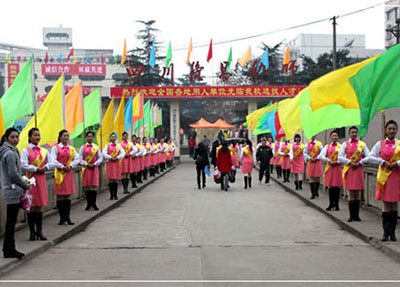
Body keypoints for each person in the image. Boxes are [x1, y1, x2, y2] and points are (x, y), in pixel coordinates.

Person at [0, 128, 30, 259]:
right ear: (6, 138)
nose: (16, 140)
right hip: (12, 189)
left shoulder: (11, 151)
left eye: (17, 137)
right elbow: (13, 173)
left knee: (11, 222)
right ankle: (9, 249)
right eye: (12, 137)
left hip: (10, 188)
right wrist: (24, 184)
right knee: (11, 223)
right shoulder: (10, 153)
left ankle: (9, 248)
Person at [21, 128, 55, 240]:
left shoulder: (44, 151)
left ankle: (39, 231)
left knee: (39, 207)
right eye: (35, 135)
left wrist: (45, 167)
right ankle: (32, 232)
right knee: (31, 206)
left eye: (38, 135)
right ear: (30, 137)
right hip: (30, 181)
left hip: (41, 181)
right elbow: (23, 165)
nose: (37, 137)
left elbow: (51, 163)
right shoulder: (25, 151)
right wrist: (36, 169)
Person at [368, 120, 399, 241]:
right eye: (389, 129)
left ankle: (393, 233)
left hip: (396, 176)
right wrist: (382, 162)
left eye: (394, 129)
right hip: (384, 178)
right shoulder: (379, 144)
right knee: (386, 203)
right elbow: (370, 156)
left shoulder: (399, 144)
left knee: (394, 203)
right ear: (386, 130)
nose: (391, 131)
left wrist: (397, 163)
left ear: (396, 130)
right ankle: (385, 232)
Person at [339, 126, 369, 222]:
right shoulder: (345, 144)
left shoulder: (362, 144)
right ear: (349, 133)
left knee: (358, 192)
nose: (354, 134)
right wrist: (349, 162)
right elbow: (340, 157)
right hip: (349, 169)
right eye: (352, 132)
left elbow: (369, 156)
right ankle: (351, 215)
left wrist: (360, 162)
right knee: (351, 192)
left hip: (359, 168)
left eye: (355, 132)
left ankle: (357, 215)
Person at [51, 130, 80, 225]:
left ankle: (67, 217)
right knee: (60, 196)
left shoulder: (71, 148)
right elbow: (53, 160)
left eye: (67, 136)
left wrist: (70, 166)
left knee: (67, 195)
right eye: (64, 136)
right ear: (60, 137)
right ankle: (61, 217)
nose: (66, 137)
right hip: (60, 174)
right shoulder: (55, 148)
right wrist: (62, 166)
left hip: (68, 173)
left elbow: (77, 158)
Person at [319, 130, 343, 211]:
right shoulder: (327, 146)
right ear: (330, 137)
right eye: (333, 135)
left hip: (337, 167)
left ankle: (336, 204)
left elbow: (344, 156)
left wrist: (337, 161)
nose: (334, 137)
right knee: (330, 186)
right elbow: (321, 156)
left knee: (337, 186)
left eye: (336, 135)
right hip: (329, 167)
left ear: (338, 137)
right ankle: (330, 204)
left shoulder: (341, 146)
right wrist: (328, 160)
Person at [79, 131, 103, 211]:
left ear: (93, 137)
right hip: (86, 169)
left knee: (94, 186)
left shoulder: (96, 147)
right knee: (87, 186)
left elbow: (100, 157)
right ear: (86, 137)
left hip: (94, 168)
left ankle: (94, 203)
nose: (90, 138)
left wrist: (95, 164)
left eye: (91, 136)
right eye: (88, 136)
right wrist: (86, 164)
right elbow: (80, 158)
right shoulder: (83, 147)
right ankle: (88, 204)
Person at [103, 132, 125, 200]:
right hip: (110, 163)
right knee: (111, 179)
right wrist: (110, 157)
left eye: (114, 137)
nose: (113, 138)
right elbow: (104, 153)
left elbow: (123, 153)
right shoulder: (107, 145)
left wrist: (117, 157)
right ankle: (111, 194)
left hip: (116, 163)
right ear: (110, 138)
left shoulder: (118, 146)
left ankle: (115, 194)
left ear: (116, 138)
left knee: (115, 180)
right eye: (112, 137)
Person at [304, 135, 323, 200]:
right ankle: (313, 193)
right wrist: (309, 158)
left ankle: (316, 191)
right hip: (311, 161)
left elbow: (322, 152)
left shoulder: (319, 144)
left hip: (317, 161)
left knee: (317, 177)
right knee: (311, 177)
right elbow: (305, 153)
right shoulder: (307, 144)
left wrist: (317, 158)